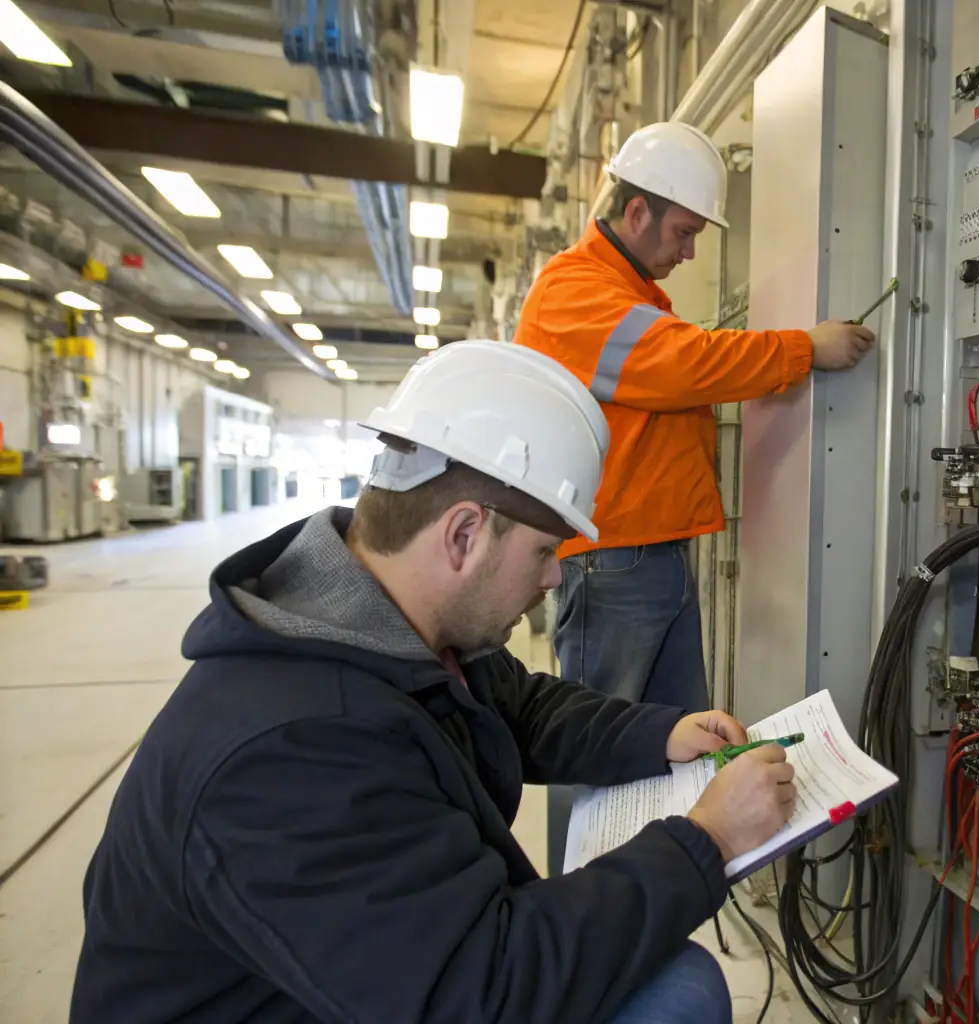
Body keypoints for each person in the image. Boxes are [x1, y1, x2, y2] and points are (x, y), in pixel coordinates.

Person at [70, 341, 797, 1024]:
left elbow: (520, 707)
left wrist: (660, 733)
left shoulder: (392, 627)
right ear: (462, 534)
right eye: (545, 551)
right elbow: (473, 990)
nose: (553, 577)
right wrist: (707, 839)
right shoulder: (290, 754)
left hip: (357, 987)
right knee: (680, 993)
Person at [515, 120, 875, 872]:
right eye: (683, 231)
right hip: (611, 563)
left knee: (679, 746)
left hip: (654, 557)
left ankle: (652, 897)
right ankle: (571, 915)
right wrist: (805, 349)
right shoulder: (575, 290)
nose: (689, 252)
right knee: (593, 749)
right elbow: (682, 365)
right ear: (637, 210)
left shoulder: (630, 293)